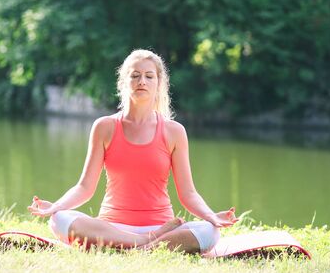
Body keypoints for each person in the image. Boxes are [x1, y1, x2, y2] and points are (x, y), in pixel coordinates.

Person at [28, 49, 238, 254]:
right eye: (135, 75)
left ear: (159, 84)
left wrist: (211, 216)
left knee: (209, 231)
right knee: (59, 219)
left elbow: (188, 193)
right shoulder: (105, 127)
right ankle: (144, 244)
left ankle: (134, 246)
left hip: (161, 226)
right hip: (112, 228)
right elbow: (84, 187)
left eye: (149, 76)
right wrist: (54, 206)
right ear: (123, 82)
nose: (142, 81)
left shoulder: (174, 131)